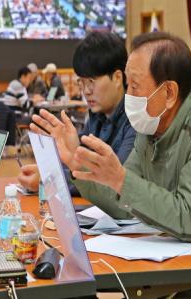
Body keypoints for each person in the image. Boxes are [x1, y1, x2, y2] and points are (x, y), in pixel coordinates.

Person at [31, 32, 191, 297]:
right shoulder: (151, 121)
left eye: (134, 85)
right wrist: (77, 162)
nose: (128, 95)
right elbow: (125, 206)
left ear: (168, 92)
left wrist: (122, 180)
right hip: (167, 261)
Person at [18, 32, 135, 194]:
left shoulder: (136, 120)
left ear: (117, 78)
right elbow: (77, 165)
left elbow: (113, 184)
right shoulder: (96, 116)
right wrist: (48, 171)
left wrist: (50, 180)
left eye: (91, 82)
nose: (86, 91)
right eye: (82, 82)